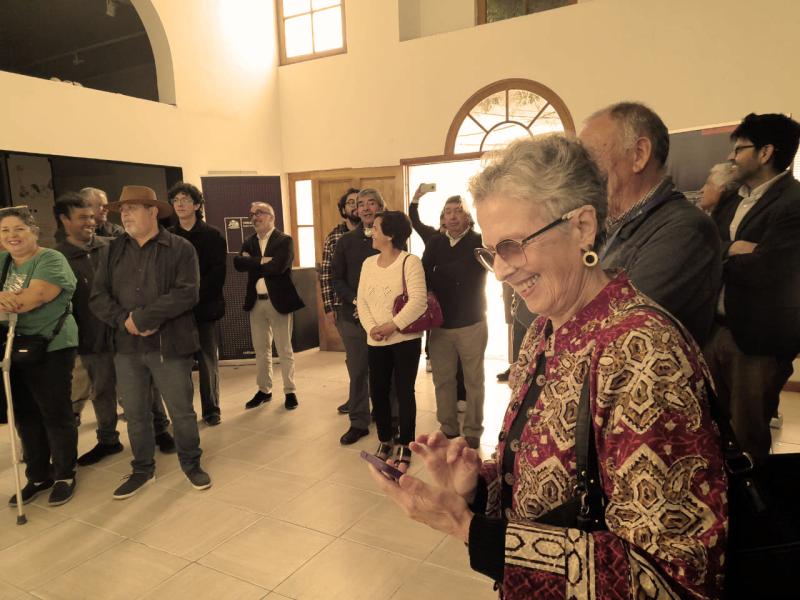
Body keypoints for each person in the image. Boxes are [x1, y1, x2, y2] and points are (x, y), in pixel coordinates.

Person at [370, 136, 727, 599]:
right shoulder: (546, 328)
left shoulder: (642, 352)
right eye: (492, 251)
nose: (500, 271)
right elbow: (549, 481)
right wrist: (478, 486)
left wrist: (467, 528)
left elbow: (669, 575)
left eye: (514, 246)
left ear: (581, 227)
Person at [90, 185, 211, 499]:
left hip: (170, 344)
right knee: (135, 411)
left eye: (133, 208)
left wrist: (143, 319)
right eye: (123, 209)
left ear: (153, 211)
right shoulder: (112, 250)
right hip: (127, 347)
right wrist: (125, 321)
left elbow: (187, 293)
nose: (125, 214)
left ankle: (191, 463)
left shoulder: (180, 248)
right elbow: (98, 297)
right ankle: (143, 469)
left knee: (181, 410)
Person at [580, 101, 722, 346]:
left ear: (639, 155)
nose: (581, 173)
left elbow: (618, 322)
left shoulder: (685, 230)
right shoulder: (608, 223)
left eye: (590, 158)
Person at [706, 112, 800, 461]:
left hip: (757, 341)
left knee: (747, 437)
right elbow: (706, 249)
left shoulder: (794, 202)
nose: (732, 157)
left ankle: (753, 511)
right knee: (708, 429)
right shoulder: (730, 199)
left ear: (766, 153)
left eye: (740, 149)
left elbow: (769, 268)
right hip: (714, 330)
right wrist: (732, 249)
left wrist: (722, 254)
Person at [54, 193, 173, 465]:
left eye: (91, 215)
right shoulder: (57, 257)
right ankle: (107, 440)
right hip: (91, 338)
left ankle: (161, 430)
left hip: (127, 331)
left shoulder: (114, 246)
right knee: (102, 391)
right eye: (82, 217)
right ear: (64, 220)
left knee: (147, 385)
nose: (91, 221)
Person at [0, 206, 80, 507]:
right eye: (5, 230)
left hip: (51, 345)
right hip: (11, 346)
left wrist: (11, 302)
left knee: (54, 412)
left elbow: (35, 298)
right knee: (24, 415)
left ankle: (64, 474)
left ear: (33, 231)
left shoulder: (50, 259)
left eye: (18, 229)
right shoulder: (3, 262)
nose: (12, 236)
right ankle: (37, 475)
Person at [417, 194, 487, 449]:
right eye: (448, 212)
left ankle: (472, 430)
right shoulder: (435, 242)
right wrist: (441, 273)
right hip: (440, 325)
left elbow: (469, 272)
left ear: (467, 215)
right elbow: (423, 273)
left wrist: (440, 271)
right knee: (443, 380)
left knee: (473, 381)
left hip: (472, 321)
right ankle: (447, 428)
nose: (453, 216)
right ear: (443, 217)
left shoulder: (479, 241)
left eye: (458, 211)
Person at [357, 211, 426, 465]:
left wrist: (392, 326)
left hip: (405, 339)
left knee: (404, 391)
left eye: (375, 228)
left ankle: (406, 443)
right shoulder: (367, 263)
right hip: (375, 339)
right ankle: (385, 438)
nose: (370, 232)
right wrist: (372, 328)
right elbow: (362, 301)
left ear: (391, 234)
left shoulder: (410, 261)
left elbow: (418, 301)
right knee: (378, 390)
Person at [234, 202, 304, 411]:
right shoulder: (249, 241)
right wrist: (262, 260)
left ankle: (290, 391)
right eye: (252, 214)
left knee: (284, 349)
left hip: (279, 301)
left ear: (271, 217)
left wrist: (253, 262)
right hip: (256, 303)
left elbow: (279, 266)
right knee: (261, 349)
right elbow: (238, 264)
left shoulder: (284, 240)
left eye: (259, 213)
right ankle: (264, 390)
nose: (254, 217)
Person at [168, 182, 227, 426]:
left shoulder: (212, 235)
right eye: (176, 200)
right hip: (177, 311)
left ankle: (211, 409)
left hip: (204, 307)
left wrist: (192, 297)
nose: (180, 204)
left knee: (206, 360)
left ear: (197, 204)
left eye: (185, 199)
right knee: (179, 363)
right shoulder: (169, 236)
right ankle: (183, 411)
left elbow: (217, 274)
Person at [332, 188, 385, 445]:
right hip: (351, 316)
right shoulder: (345, 241)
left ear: (380, 208)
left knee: (386, 371)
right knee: (358, 371)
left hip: (384, 318)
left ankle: (389, 418)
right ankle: (358, 422)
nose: (364, 208)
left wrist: (373, 306)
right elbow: (337, 279)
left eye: (370, 203)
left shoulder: (391, 239)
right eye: (360, 204)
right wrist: (357, 302)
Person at [319, 187, 359, 414]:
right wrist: (328, 306)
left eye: (359, 201)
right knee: (353, 358)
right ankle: (356, 398)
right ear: (343, 210)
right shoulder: (334, 236)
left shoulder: (375, 232)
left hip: (373, 305)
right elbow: (325, 272)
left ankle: (376, 400)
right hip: (341, 305)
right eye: (350, 202)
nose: (356, 206)